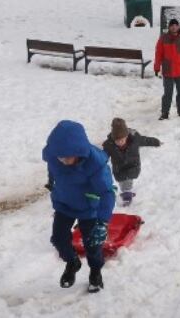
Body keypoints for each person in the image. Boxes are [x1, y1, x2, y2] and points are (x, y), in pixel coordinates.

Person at [42, 120, 116, 293]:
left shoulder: (95, 164)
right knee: (59, 239)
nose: (63, 161)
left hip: (89, 208)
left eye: (67, 157)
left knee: (92, 244)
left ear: (79, 152)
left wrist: (103, 221)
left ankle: (95, 272)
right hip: (64, 204)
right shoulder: (56, 157)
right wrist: (51, 183)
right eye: (60, 157)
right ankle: (72, 262)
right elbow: (53, 170)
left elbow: (107, 192)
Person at [102, 118, 161, 207]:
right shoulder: (109, 145)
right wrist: (100, 161)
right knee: (122, 181)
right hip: (119, 169)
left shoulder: (135, 139)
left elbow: (145, 140)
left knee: (128, 181)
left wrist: (156, 142)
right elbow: (103, 156)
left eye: (122, 139)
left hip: (133, 166)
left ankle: (127, 195)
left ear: (126, 136)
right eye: (117, 141)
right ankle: (126, 191)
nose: (120, 142)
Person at [155, 19, 180, 120]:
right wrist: (156, 67)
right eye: (172, 25)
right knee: (167, 93)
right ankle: (165, 113)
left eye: (175, 25)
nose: (174, 27)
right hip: (167, 70)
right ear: (169, 27)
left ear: (178, 27)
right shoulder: (163, 38)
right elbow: (158, 54)